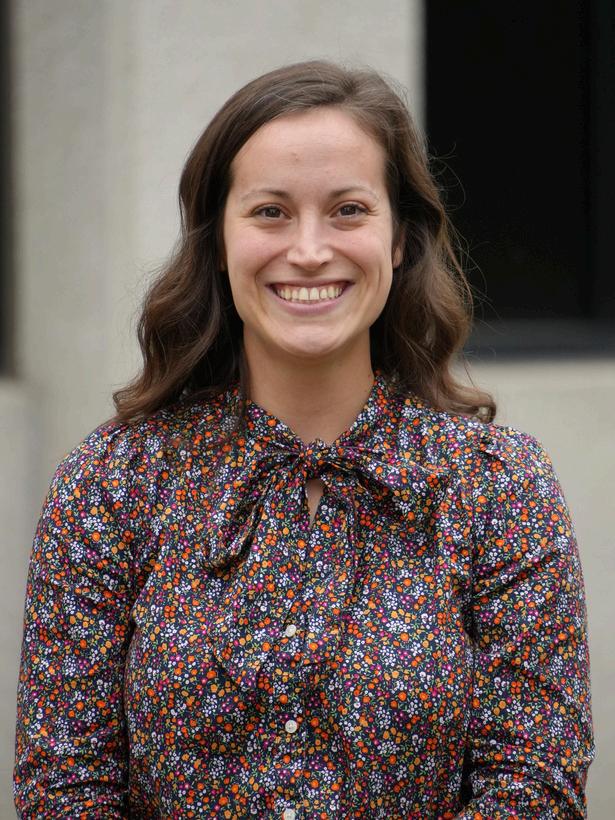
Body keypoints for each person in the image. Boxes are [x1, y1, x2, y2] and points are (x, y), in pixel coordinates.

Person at [14, 60, 593, 818]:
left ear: (398, 239)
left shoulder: (499, 485)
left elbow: (535, 785)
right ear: (218, 242)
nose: (311, 249)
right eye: (270, 212)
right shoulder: (112, 482)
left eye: (348, 210)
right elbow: (64, 786)